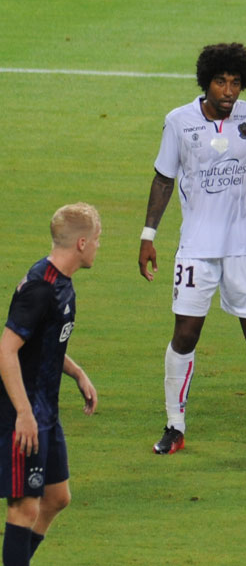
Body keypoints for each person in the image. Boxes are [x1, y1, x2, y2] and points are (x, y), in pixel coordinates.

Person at [139, 43, 246, 455]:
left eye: (236, 83)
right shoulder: (178, 122)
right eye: (221, 82)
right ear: (205, 82)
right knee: (185, 333)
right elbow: (162, 180)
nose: (229, 91)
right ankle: (174, 425)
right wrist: (148, 235)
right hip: (196, 248)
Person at [1, 203, 99, 565]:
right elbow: (6, 350)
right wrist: (23, 414)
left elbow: (43, 342)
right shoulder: (40, 288)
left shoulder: (61, 283)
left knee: (57, 497)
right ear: (81, 243)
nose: (98, 247)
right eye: (98, 240)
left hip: (46, 411)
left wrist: (75, 372)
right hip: (23, 414)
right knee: (24, 507)